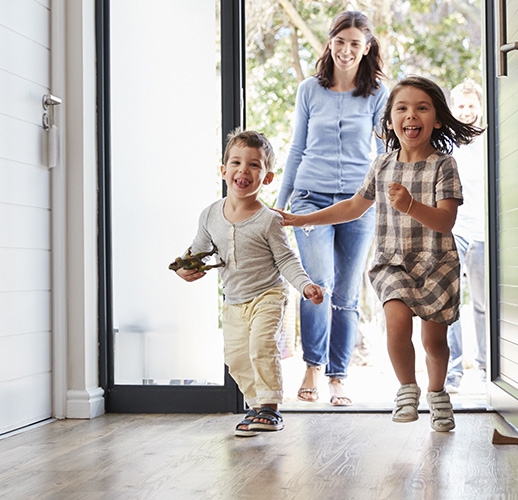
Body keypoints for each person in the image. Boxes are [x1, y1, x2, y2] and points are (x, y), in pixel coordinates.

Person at [275, 76, 484, 432]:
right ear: (389, 120)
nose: (410, 115)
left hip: (436, 264)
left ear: (437, 119)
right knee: (397, 324)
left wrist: (411, 205)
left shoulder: (444, 165)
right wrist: (303, 218)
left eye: (421, 108)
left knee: (434, 342)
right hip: (393, 263)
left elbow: (446, 221)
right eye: (401, 108)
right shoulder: (382, 165)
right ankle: (407, 389)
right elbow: (353, 207)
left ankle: (437, 393)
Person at [174, 129, 324, 437]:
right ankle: (257, 407)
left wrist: (305, 285)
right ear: (223, 170)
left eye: (254, 165)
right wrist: (183, 268)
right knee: (236, 358)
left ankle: (270, 407)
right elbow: (197, 251)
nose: (244, 170)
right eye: (236, 162)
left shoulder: (269, 220)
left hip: (268, 294)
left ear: (267, 178)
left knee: (261, 346)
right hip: (233, 300)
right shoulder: (209, 215)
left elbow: (286, 260)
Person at [275, 10, 389, 407]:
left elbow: (384, 153)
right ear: (330, 42)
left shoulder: (377, 94)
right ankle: (312, 366)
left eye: (355, 43)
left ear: (367, 48)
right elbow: (296, 148)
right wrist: (280, 204)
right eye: (340, 41)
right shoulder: (310, 89)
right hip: (310, 198)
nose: (346, 50)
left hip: (359, 203)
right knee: (318, 283)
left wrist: (386, 202)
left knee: (346, 291)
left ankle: (338, 375)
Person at [445, 79, 488, 392]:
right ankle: (454, 371)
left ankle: (487, 368)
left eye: (471, 105)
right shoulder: (447, 146)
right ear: (452, 108)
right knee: (451, 303)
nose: (466, 111)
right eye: (460, 105)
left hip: (484, 232)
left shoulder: (491, 142)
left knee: (484, 305)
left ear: (480, 107)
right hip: (455, 230)